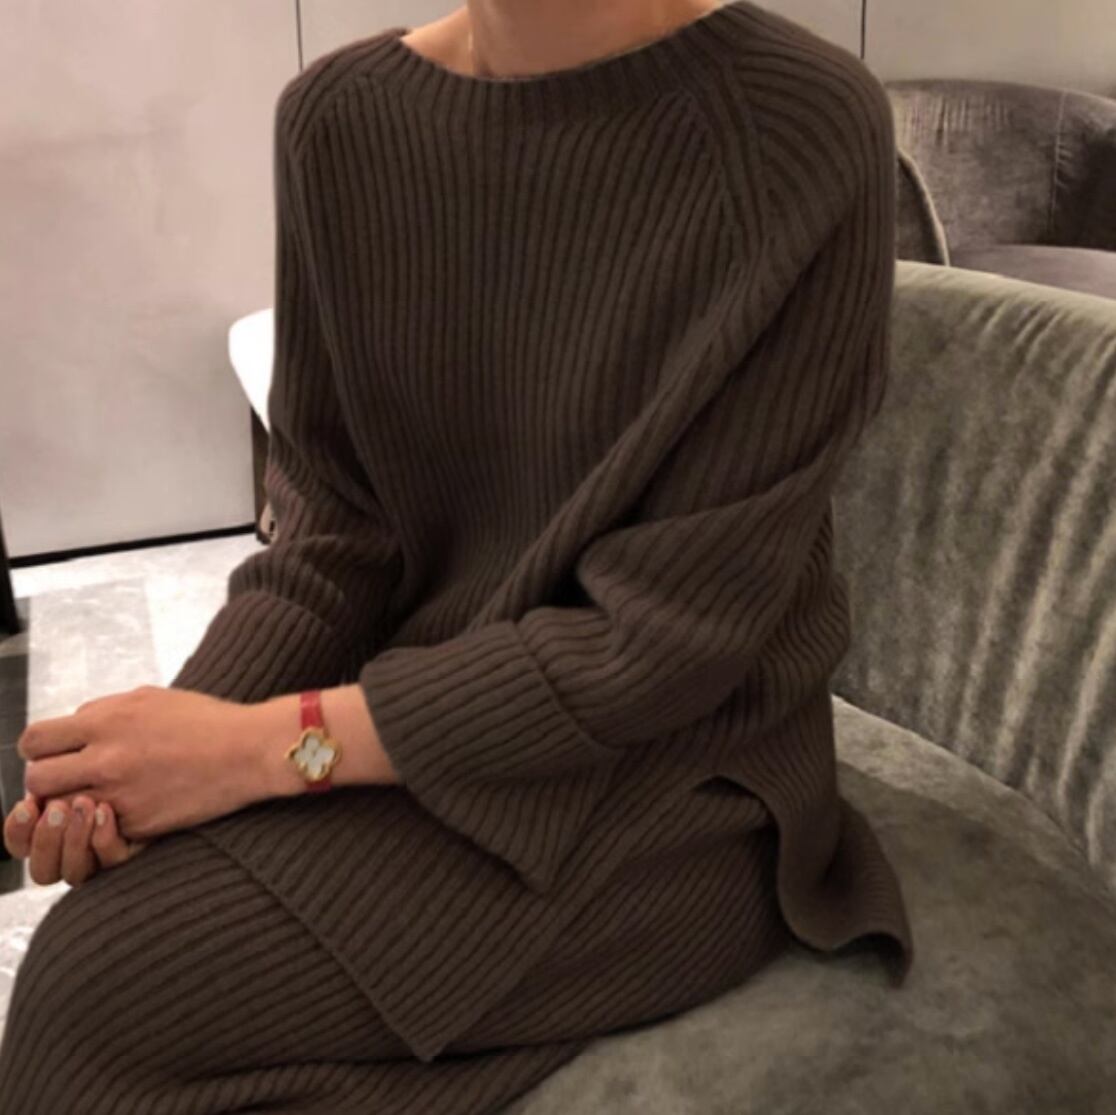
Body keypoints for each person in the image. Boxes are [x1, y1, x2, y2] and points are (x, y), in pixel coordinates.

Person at [0, 2, 914, 1111]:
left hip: (681, 780)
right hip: (428, 723)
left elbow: (661, 643)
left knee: (95, 995)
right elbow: (337, 535)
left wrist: (263, 749)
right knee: (100, 959)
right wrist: (163, 751)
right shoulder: (336, 121)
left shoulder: (803, 125)